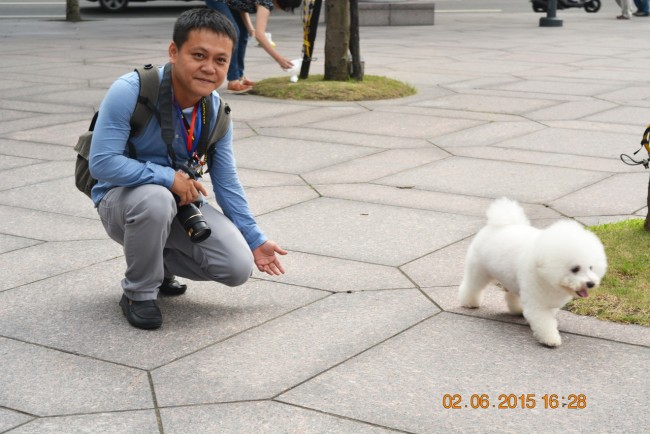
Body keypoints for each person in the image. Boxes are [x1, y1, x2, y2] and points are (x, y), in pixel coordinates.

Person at [89, 8, 287, 330]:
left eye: (221, 60)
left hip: (181, 206)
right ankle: (138, 293)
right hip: (120, 201)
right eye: (199, 55)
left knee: (236, 267)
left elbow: (227, 183)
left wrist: (254, 239)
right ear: (174, 52)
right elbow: (102, 163)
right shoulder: (131, 90)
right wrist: (168, 177)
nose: (209, 68)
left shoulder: (216, 111)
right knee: (156, 199)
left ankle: (157, 265)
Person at [205, 0, 302, 93]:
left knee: (242, 34)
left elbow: (241, 6)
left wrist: (250, 30)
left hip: (231, 2)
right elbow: (260, 36)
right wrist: (279, 59)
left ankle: (240, 78)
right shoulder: (266, 2)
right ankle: (233, 81)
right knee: (233, 32)